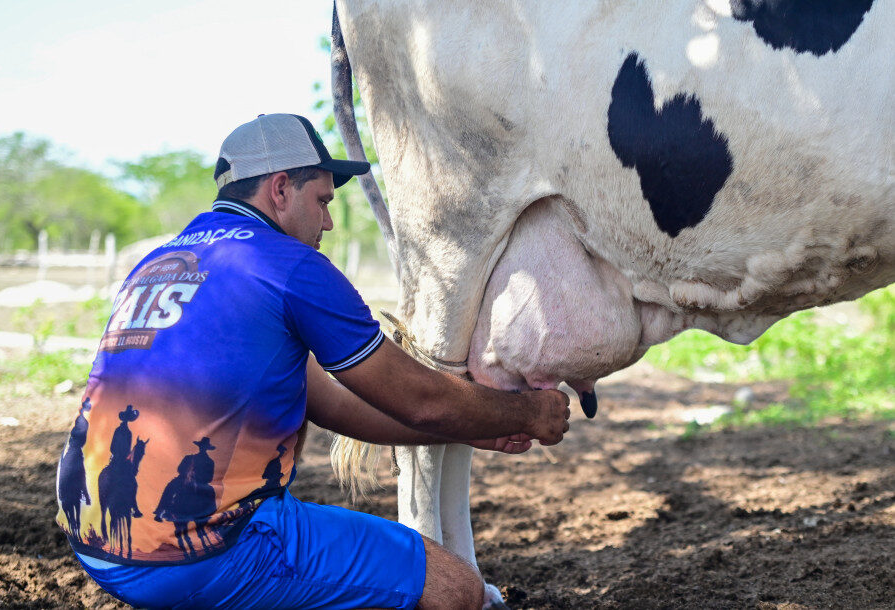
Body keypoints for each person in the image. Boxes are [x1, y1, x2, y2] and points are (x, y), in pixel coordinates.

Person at [55, 113, 570, 609]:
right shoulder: (291, 266)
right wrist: (528, 414)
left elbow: (329, 403)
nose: (327, 221)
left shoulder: (159, 262)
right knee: (454, 589)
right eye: (321, 200)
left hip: (98, 548)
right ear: (280, 189)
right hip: (206, 554)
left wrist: (460, 429)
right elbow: (420, 399)